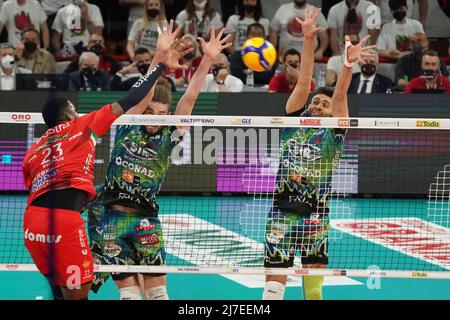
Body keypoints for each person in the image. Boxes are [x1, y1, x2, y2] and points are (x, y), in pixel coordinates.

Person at [21, 20, 192, 300]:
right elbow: (135, 95)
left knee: (59, 287)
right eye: (74, 109)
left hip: (31, 223)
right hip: (65, 222)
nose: (77, 112)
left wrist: (87, 194)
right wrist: (160, 61)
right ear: (68, 115)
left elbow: (35, 184)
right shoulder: (81, 126)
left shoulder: (35, 147)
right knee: (78, 293)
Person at [85, 26, 232, 300]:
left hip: (145, 219)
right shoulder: (129, 124)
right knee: (128, 296)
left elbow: (190, 98)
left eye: (161, 114)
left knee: (158, 294)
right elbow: (142, 93)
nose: (154, 118)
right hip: (110, 220)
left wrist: (208, 59)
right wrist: (159, 57)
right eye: (150, 112)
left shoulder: (170, 134)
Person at [262, 7, 375, 300]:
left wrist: (347, 66)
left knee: (314, 291)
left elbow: (339, 96)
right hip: (282, 213)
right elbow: (304, 80)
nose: (316, 106)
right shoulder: (293, 121)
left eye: (322, 105)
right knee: (274, 287)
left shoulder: (335, 133)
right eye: (315, 102)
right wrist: (308, 39)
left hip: (316, 215)